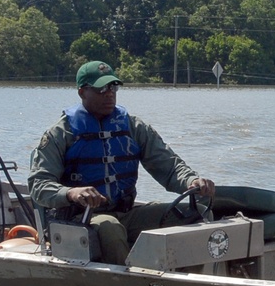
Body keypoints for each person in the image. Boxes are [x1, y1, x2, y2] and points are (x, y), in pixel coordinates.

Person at [28, 60, 216, 265]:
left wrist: (191, 180)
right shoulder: (61, 134)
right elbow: (39, 186)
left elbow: (169, 166)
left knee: (195, 212)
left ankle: (188, 283)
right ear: (82, 92)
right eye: (101, 89)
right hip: (79, 219)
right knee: (110, 227)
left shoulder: (134, 127)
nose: (109, 93)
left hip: (126, 212)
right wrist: (72, 193)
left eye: (113, 86)